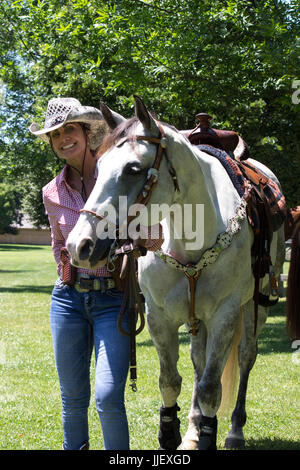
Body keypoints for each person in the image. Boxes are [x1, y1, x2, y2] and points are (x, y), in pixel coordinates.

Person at [29, 97, 163, 450]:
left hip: (112, 300)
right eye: (55, 135)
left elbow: (156, 236)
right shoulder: (51, 193)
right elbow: (59, 245)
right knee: (72, 399)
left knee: (107, 396)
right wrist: (68, 264)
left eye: (69, 129)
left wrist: (128, 240)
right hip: (68, 300)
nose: (62, 139)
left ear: (88, 133)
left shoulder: (119, 178)